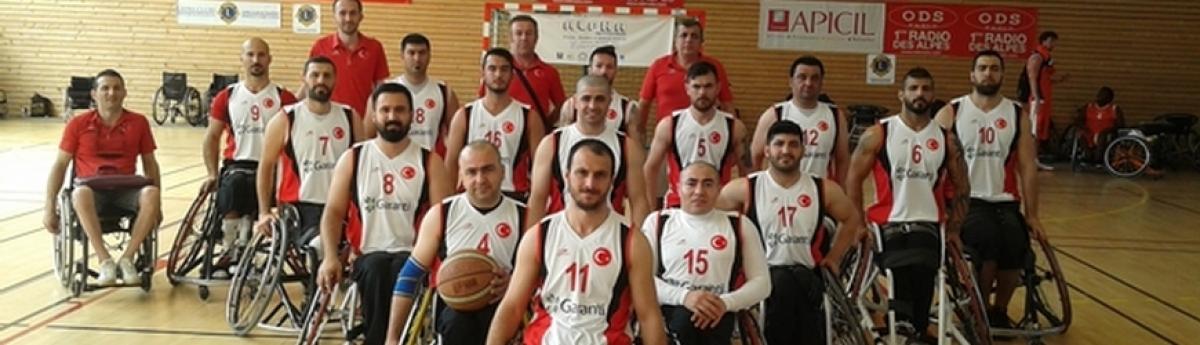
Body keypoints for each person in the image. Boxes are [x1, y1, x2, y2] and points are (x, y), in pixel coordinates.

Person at [486, 140, 667, 345]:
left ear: (611, 181)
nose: (590, 184)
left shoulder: (633, 242)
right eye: (582, 173)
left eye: (600, 175)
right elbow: (512, 307)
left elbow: (648, 316)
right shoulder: (539, 236)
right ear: (567, 175)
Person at [317, 83, 453, 345]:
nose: (392, 116)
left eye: (400, 110)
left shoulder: (430, 162)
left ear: (412, 115)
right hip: (367, 255)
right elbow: (333, 212)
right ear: (374, 115)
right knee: (378, 268)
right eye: (385, 110)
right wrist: (330, 257)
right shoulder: (354, 158)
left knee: (402, 268)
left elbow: (444, 220)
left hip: (415, 256)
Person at [846, 67, 970, 342]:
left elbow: (962, 187)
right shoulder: (879, 134)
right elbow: (853, 178)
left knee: (925, 263)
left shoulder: (946, 138)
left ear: (933, 94)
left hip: (928, 222)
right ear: (901, 93)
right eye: (913, 88)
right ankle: (903, 324)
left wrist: (955, 229)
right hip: (887, 223)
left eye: (926, 89)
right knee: (902, 262)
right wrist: (857, 224)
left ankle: (913, 325)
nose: (920, 94)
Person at [717, 121, 863, 344]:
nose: (786, 150)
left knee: (796, 286)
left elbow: (851, 219)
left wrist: (834, 257)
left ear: (803, 150)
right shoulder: (745, 188)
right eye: (779, 144)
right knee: (784, 285)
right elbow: (710, 220)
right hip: (762, 276)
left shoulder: (823, 188)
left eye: (793, 144)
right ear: (767, 150)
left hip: (807, 274)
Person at [935, 50, 1045, 330]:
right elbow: (932, 161)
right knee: (987, 241)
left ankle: (999, 309)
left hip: (1004, 199)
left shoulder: (1016, 113)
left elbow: (1028, 167)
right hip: (965, 200)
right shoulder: (952, 111)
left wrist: (1032, 215)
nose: (988, 73)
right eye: (982, 68)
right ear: (972, 75)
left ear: (1002, 75)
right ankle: (979, 307)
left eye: (994, 68)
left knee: (1015, 244)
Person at [386, 141, 526, 345]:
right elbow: (410, 276)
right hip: (454, 307)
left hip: (506, 305)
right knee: (457, 322)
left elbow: (544, 276)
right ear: (461, 176)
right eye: (471, 172)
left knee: (501, 320)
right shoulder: (442, 214)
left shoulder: (525, 215)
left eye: (488, 169)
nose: (480, 179)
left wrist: (516, 283)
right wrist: (392, 337)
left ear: (503, 171)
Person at [43, 69, 162, 286]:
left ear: (124, 93)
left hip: (126, 189)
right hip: (91, 190)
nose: (111, 93)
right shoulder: (78, 125)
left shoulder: (138, 123)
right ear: (94, 94)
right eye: (105, 88)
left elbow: (150, 164)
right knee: (79, 194)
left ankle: (127, 258)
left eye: (117, 88)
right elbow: (60, 165)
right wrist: (49, 207)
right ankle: (105, 260)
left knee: (151, 193)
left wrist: (158, 207)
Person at [643, 162, 770, 345]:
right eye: (691, 183)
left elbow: (762, 283)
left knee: (710, 324)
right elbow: (643, 280)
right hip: (670, 308)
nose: (699, 191)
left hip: (721, 311)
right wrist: (685, 296)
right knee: (685, 321)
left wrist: (725, 303)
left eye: (708, 184)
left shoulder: (739, 225)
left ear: (719, 189)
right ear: (678, 187)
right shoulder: (658, 222)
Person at [202, 38, 298, 271]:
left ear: (269, 59)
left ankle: (247, 246)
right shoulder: (227, 96)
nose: (256, 60)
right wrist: (212, 173)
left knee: (258, 188)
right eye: (251, 55)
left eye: (261, 55)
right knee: (235, 184)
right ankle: (231, 248)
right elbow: (212, 137)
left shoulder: (284, 98)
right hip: (238, 164)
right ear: (242, 59)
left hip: (272, 168)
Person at [254, 56, 364, 243]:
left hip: (342, 206)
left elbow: (363, 166)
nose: (321, 80)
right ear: (304, 79)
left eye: (327, 76)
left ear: (335, 80)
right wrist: (264, 212)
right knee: (321, 245)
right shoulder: (285, 118)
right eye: (315, 75)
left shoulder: (350, 116)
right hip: (300, 208)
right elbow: (266, 167)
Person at [528, 75, 649, 226]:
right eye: (586, 98)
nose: (592, 106)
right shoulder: (551, 143)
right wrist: (531, 242)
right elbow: (537, 199)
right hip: (560, 236)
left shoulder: (627, 147)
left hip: (610, 236)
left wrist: (638, 241)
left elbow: (638, 201)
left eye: (600, 99)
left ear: (610, 102)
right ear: (575, 102)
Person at [446, 48, 546, 201]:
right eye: (492, 69)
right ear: (483, 73)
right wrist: (448, 202)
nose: (498, 75)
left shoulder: (529, 117)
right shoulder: (464, 115)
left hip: (513, 196)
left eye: (504, 69)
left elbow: (541, 167)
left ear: (513, 74)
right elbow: (451, 163)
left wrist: (536, 204)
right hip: (472, 196)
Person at [644, 62, 748, 208]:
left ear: (718, 87)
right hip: (678, 206)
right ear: (687, 88)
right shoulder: (669, 125)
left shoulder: (735, 127)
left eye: (708, 86)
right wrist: (650, 209)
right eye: (696, 86)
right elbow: (650, 168)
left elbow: (748, 173)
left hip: (719, 207)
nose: (702, 93)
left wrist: (745, 211)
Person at [750, 55, 850, 182]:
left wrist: (840, 187)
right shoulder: (775, 114)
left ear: (821, 83)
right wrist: (757, 187)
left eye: (814, 78)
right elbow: (755, 155)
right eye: (802, 77)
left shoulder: (835, 115)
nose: (808, 83)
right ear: (791, 81)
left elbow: (842, 159)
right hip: (780, 189)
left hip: (819, 190)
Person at [637, 18, 734, 127]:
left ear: (701, 42)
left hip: (706, 133)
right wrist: (639, 134)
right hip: (668, 135)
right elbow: (644, 105)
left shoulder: (715, 66)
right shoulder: (658, 66)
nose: (688, 40)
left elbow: (727, 105)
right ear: (675, 40)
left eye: (694, 36)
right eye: (684, 35)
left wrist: (731, 134)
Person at [308, 0, 390, 126]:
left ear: (361, 16)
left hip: (363, 124)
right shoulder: (320, 46)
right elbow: (309, 85)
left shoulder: (375, 48)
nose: (348, 18)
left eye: (353, 13)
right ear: (334, 16)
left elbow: (380, 89)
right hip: (326, 123)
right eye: (342, 13)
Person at [378, 33, 460, 156]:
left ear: (429, 55)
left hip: (429, 164)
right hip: (391, 163)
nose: (417, 58)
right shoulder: (384, 90)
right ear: (402, 56)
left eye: (422, 53)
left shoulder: (444, 91)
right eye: (411, 53)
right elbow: (367, 134)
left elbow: (457, 136)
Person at [478, 15, 565, 127]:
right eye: (519, 33)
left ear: (536, 37)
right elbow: (481, 102)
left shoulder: (550, 72)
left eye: (528, 33)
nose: (524, 38)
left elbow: (560, 106)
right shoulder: (496, 71)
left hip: (534, 136)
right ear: (510, 38)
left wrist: (544, 124)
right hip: (501, 131)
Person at [557, 45, 643, 142]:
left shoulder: (628, 108)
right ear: (590, 69)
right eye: (599, 66)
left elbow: (636, 149)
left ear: (615, 71)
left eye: (609, 67)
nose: (604, 71)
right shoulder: (571, 105)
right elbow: (563, 143)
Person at [1019, 31, 1068, 170]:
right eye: (1051, 41)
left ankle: (1035, 158)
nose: (1054, 44)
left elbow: (1043, 79)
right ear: (1044, 41)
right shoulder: (1037, 57)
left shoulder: (1046, 58)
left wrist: (1057, 81)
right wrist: (1036, 96)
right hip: (1037, 99)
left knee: (1040, 130)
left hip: (1043, 97)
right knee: (1034, 129)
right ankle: (1029, 160)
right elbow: (1032, 77)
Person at [1075, 86, 1125, 155]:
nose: (1100, 97)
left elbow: (1121, 125)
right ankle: (1087, 155)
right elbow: (1078, 120)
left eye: (1104, 95)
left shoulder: (1115, 109)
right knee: (1081, 134)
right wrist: (1083, 127)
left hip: (1106, 135)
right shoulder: (1088, 107)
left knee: (1102, 136)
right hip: (1089, 132)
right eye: (1100, 94)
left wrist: (1108, 130)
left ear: (1109, 99)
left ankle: (1098, 158)